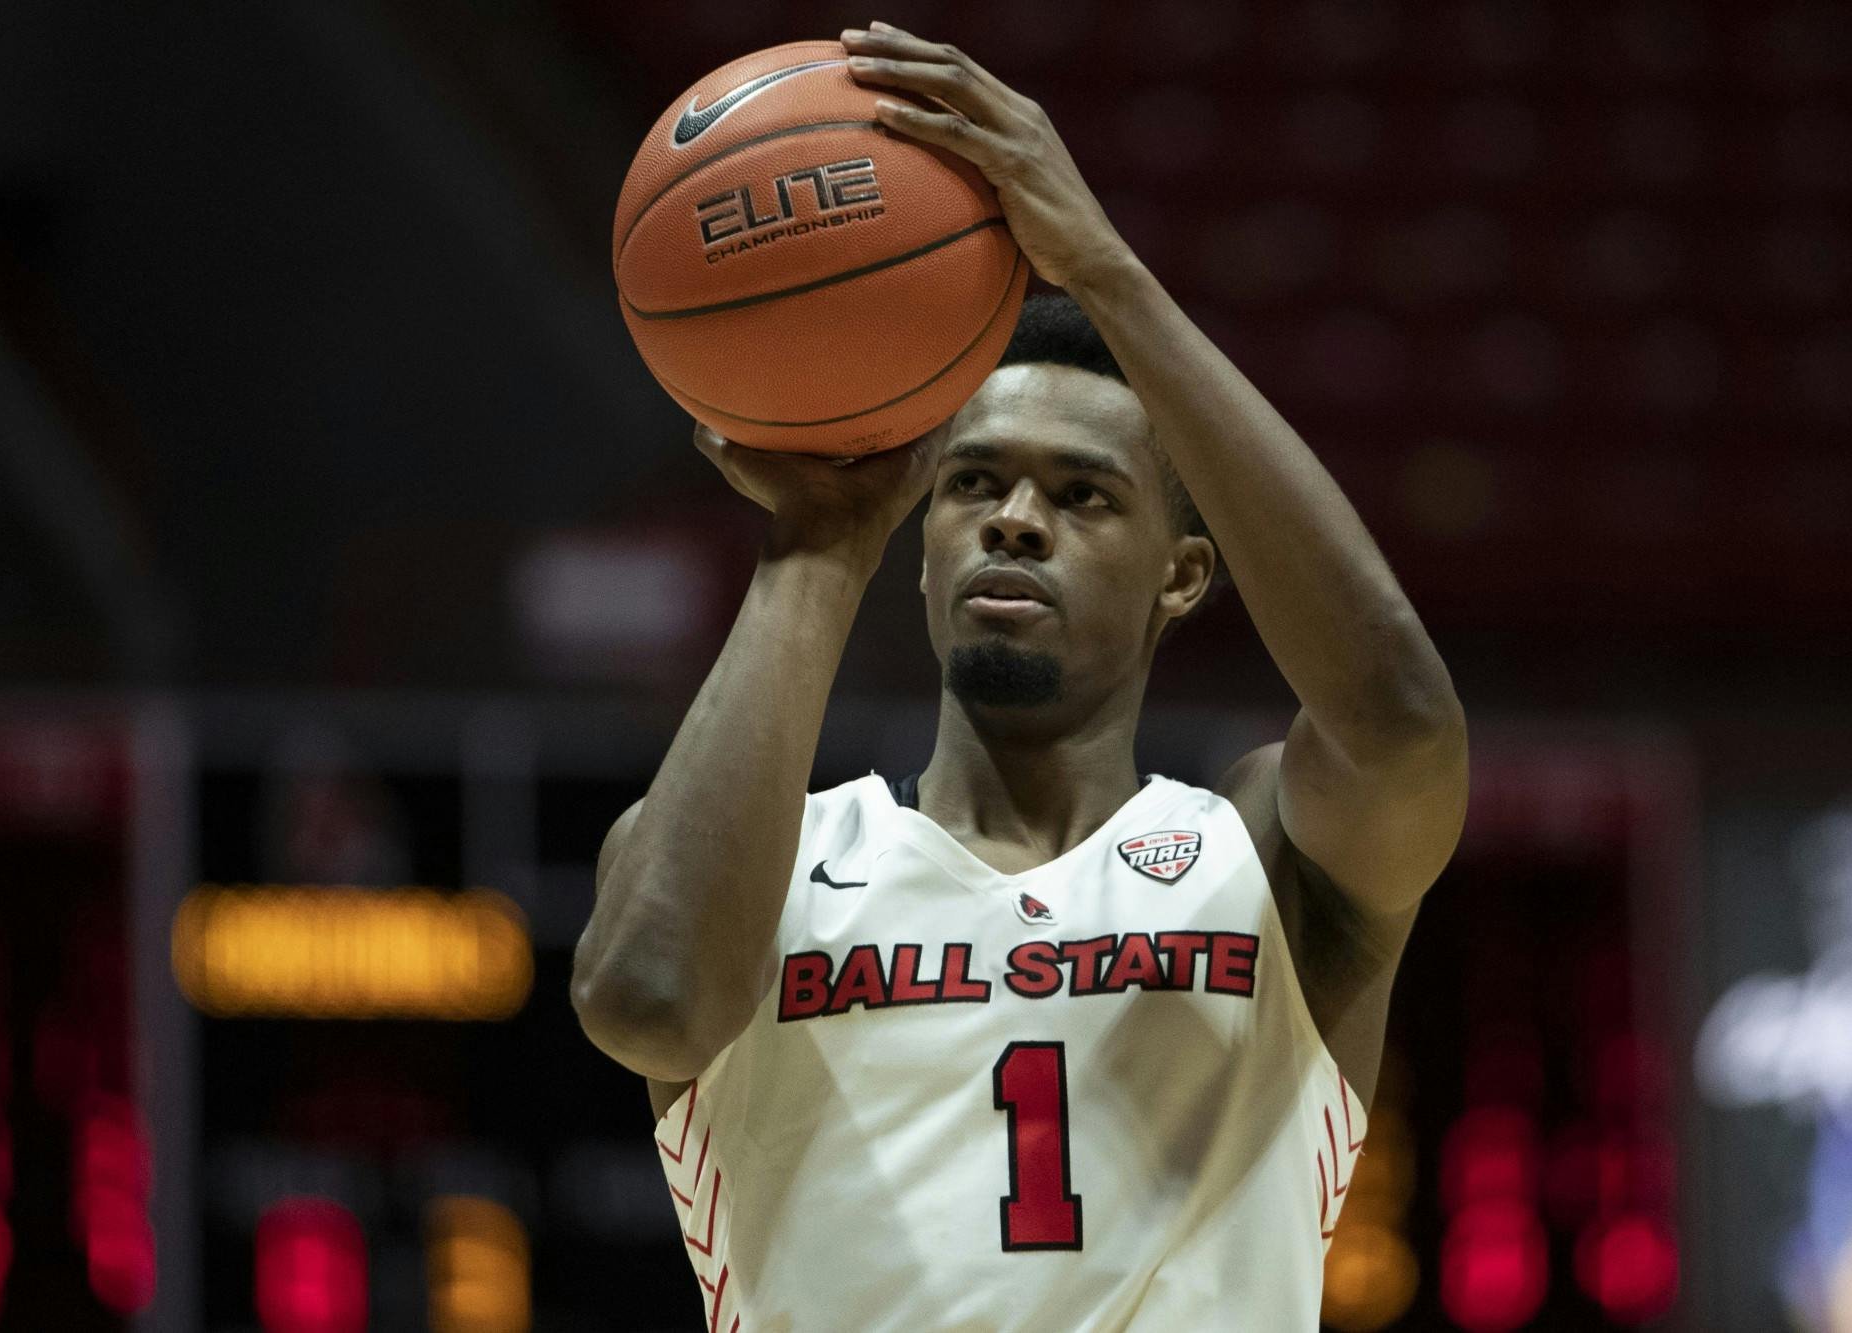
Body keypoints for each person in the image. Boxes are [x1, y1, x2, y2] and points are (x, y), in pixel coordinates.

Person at [571, 21, 1468, 1331]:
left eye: (1084, 493)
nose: (1014, 519)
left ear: (1183, 574)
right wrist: (817, 547)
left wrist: (1104, 269)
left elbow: (1398, 720)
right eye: (974, 481)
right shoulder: (770, 861)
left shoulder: (1264, 860)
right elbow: (649, 999)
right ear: (924, 543)